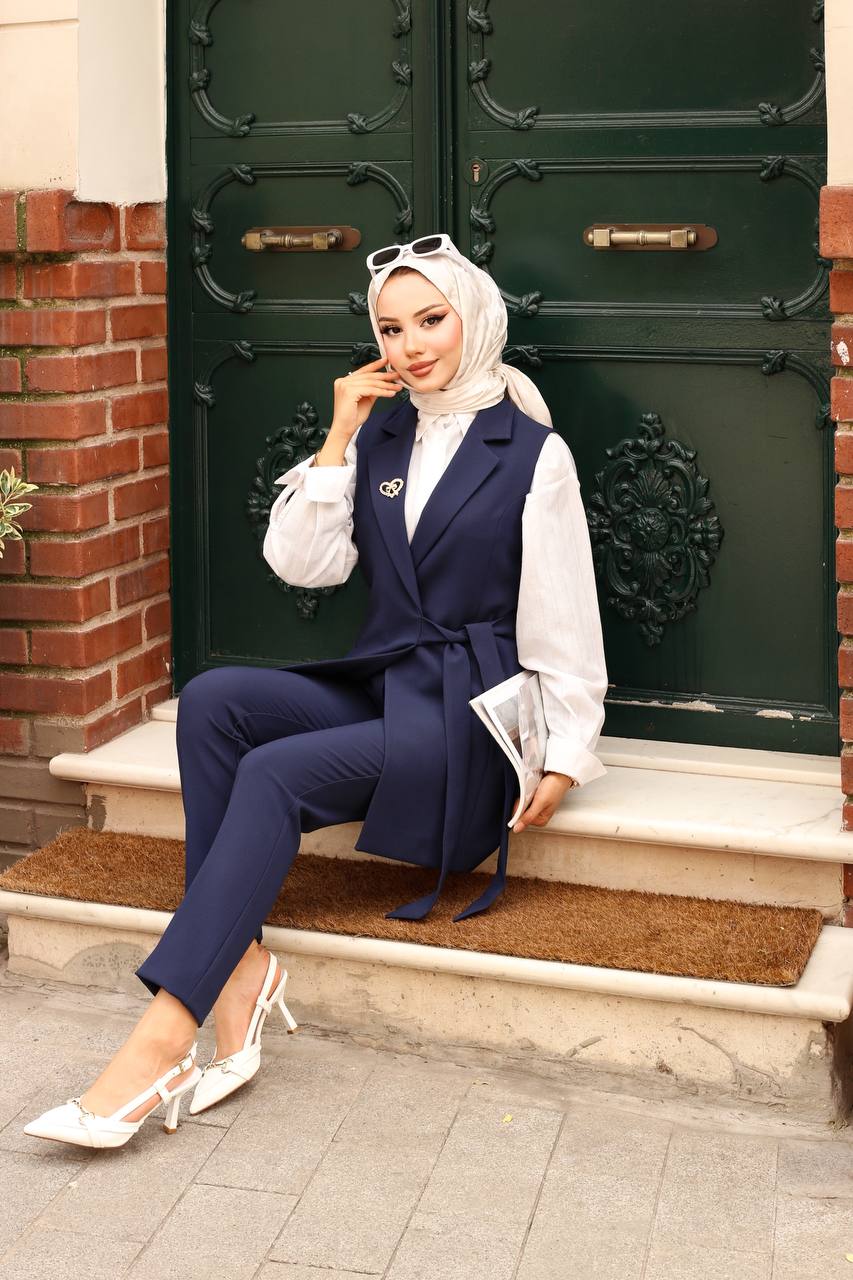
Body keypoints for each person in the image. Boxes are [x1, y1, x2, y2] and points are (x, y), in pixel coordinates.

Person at [23, 233, 608, 1151]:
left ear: (474, 319)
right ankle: (240, 966)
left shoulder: (534, 454)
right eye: (390, 327)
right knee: (218, 701)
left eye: (430, 320)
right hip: (389, 689)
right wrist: (337, 437)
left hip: (466, 716)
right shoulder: (380, 430)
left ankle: (163, 1039)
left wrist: (565, 757)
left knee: (275, 774)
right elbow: (302, 565)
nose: (411, 346)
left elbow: (563, 619)